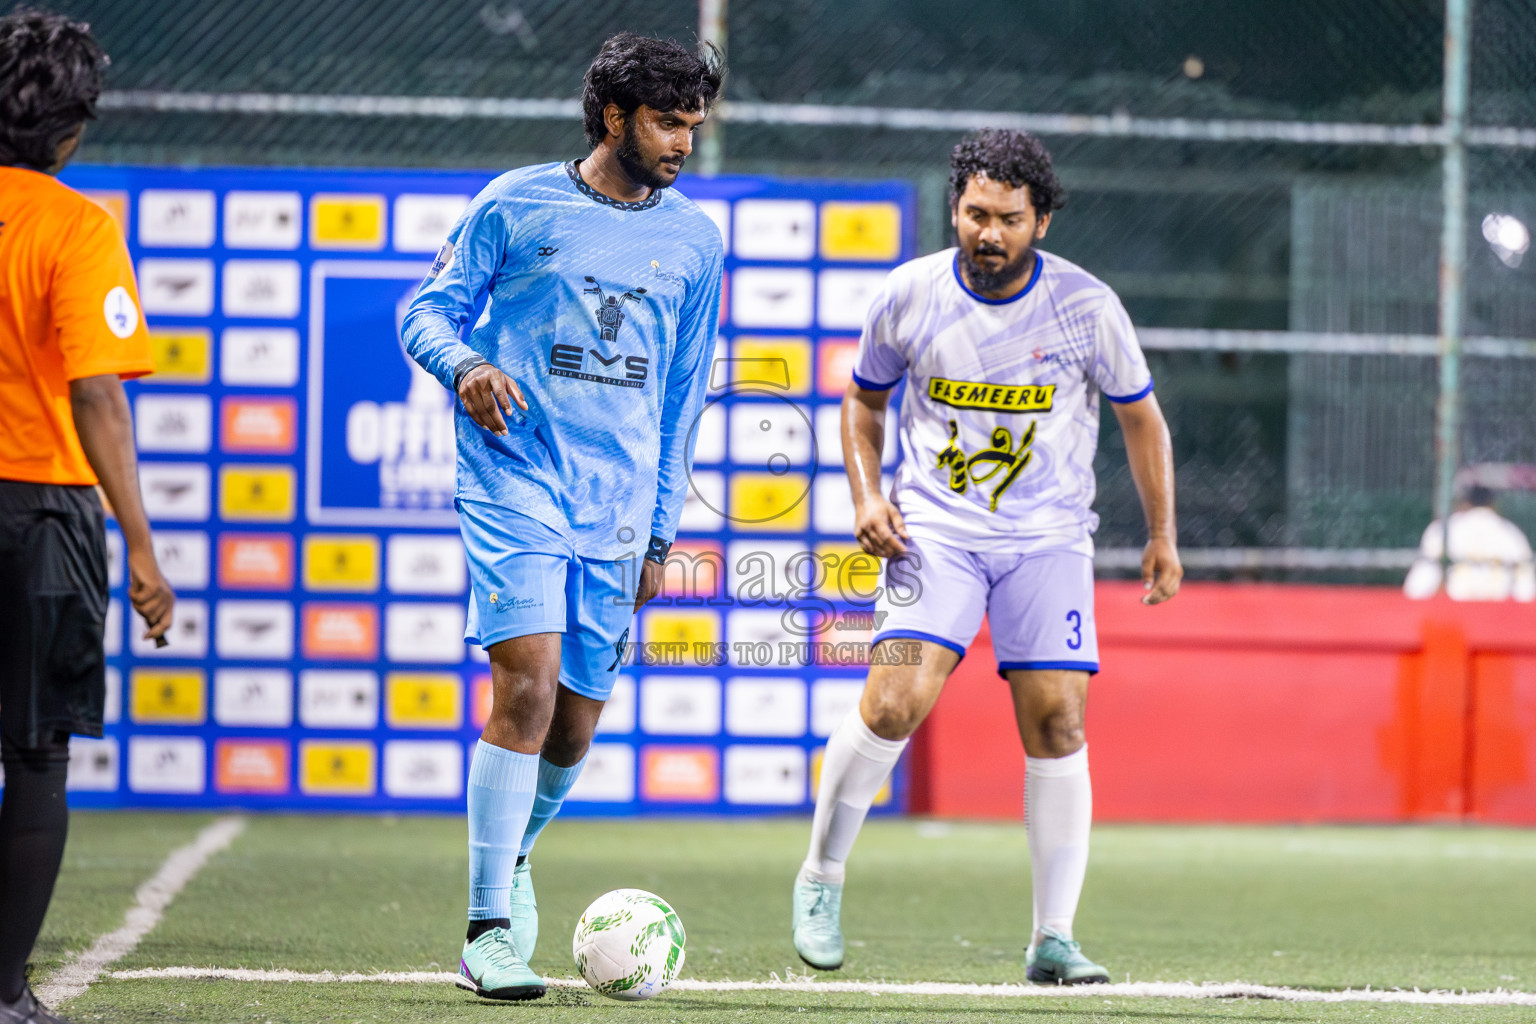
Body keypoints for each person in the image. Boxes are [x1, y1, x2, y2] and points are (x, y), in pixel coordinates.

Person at [792, 129, 1181, 985]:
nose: (990, 233)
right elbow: (862, 404)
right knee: (892, 703)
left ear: (1041, 220)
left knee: (1057, 724)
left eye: (1009, 217)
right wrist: (866, 495)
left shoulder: (1087, 307)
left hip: (1048, 541)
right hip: (936, 533)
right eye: (975, 214)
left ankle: (1053, 937)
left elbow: (1141, 419)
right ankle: (821, 875)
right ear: (956, 211)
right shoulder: (908, 294)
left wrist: (1162, 535)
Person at [402, 32, 725, 1002]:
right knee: (528, 686)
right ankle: (486, 928)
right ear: (615, 117)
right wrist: (466, 366)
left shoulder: (696, 244)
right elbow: (426, 310)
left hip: (621, 509)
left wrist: (662, 530)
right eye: (669, 121)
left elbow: (682, 398)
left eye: (695, 124)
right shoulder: (514, 202)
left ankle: (514, 853)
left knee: (574, 728)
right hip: (516, 482)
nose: (685, 142)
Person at [0, 9, 175, 1024]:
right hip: (40, 515)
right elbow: (97, 393)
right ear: (72, 128)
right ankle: (5, 990)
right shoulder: (74, 225)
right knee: (33, 755)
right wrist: (143, 547)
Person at [1403, 485, 1535, 601]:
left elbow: (1419, 586)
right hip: (1497, 617)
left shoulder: (1444, 530)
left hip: (1455, 618)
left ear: (1464, 503)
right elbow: (1526, 591)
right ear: (1493, 505)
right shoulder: (1511, 534)